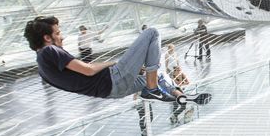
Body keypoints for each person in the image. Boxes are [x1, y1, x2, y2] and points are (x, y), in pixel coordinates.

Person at [24, 16, 173, 103]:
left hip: (112, 92)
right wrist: (114, 62)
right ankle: (152, 89)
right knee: (152, 33)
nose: (61, 37)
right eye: (57, 33)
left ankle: (181, 97)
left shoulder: (42, 70)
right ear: (47, 37)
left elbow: (82, 73)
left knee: (159, 77)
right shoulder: (49, 50)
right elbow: (88, 70)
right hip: (114, 79)